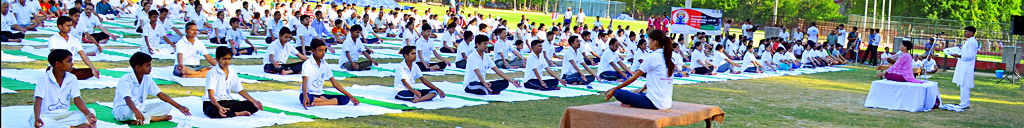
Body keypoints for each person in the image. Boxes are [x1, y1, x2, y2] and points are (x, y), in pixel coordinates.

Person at [603, 30, 675, 110]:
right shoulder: (668, 57)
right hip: (667, 103)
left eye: (649, 40)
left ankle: (632, 101)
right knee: (638, 93)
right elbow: (654, 81)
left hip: (654, 103)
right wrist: (640, 90)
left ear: (654, 42)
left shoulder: (653, 57)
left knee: (618, 93)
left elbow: (634, 78)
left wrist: (614, 89)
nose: (648, 42)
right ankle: (635, 98)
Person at [113, 52, 191, 125]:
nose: (151, 68)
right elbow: (127, 99)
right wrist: (136, 111)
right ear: (138, 67)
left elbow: (161, 95)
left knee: (166, 106)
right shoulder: (126, 79)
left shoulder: (147, 79)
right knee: (128, 111)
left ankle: (140, 119)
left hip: (140, 108)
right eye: (148, 65)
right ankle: (153, 118)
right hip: (124, 109)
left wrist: (179, 107)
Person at [31, 49, 98, 128]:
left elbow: (77, 98)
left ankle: (69, 126)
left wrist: (87, 113)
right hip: (47, 115)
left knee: (91, 111)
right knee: (39, 122)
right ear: (58, 64)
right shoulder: (43, 79)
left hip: (65, 115)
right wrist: (37, 117)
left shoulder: (72, 78)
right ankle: (74, 127)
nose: (72, 64)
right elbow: (38, 99)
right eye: (68, 61)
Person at [203, 46, 264, 118]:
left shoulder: (231, 71)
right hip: (212, 103)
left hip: (226, 101)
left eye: (229, 59)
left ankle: (228, 111)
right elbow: (211, 95)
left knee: (253, 106)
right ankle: (237, 113)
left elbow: (239, 89)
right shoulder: (212, 73)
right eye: (224, 59)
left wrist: (254, 101)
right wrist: (219, 107)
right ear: (217, 60)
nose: (227, 62)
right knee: (212, 111)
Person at [300, 40, 361, 109]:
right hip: (309, 93)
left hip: (320, 94)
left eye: (324, 50)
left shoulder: (325, 64)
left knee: (346, 98)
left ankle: (319, 103)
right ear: (313, 51)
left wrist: (351, 96)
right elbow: (304, 81)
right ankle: (326, 101)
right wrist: (305, 95)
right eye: (320, 50)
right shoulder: (307, 64)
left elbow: (334, 83)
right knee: (304, 97)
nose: (323, 53)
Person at [951, 26, 978, 109]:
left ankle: (964, 103)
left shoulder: (972, 42)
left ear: (971, 33)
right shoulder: (968, 41)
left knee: (965, 85)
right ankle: (963, 102)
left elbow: (971, 55)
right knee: (962, 85)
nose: (965, 33)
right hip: (963, 65)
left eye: (966, 31)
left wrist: (959, 55)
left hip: (967, 66)